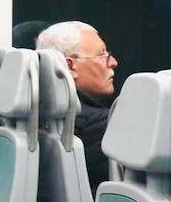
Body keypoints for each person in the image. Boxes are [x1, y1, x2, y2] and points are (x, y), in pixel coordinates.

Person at [35, 20, 119, 191]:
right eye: (102, 55)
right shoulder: (102, 126)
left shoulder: (34, 118)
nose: (113, 62)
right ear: (70, 66)